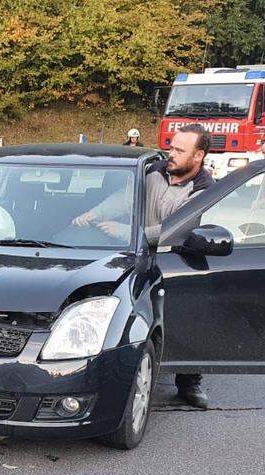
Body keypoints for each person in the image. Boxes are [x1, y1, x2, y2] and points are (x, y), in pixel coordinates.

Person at [73, 124, 215, 408]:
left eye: (179, 150)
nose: (170, 154)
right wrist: (94, 213)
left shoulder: (204, 189)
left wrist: (129, 231)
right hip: (137, 255)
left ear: (198, 156)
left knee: (187, 320)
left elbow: (181, 229)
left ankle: (189, 381)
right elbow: (123, 200)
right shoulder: (153, 171)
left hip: (177, 259)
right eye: (171, 147)